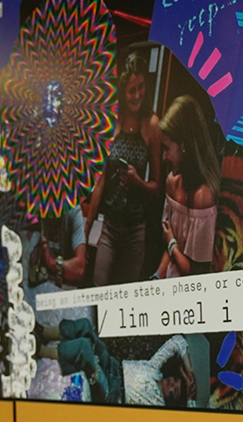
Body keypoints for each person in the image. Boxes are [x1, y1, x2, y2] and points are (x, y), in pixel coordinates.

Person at [87, 50, 161, 285]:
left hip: (136, 231)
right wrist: (87, 227)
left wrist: (138, 183)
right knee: (99, 288)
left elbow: (158, 188)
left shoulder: (151, 124)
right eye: (132, 90)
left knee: (126, 296)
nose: (138, 95)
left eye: (141, 87)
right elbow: (100, 181)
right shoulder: (111, 122)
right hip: (109, 225)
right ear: (121, 90)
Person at [35, 318, 195, 406]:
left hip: (110, 392)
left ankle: (40, 350)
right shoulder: (155, 369)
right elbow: (177, 341)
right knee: (85, 326)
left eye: (175, 390)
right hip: (112, 365)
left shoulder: (157, 404)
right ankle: (42, 332)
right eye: (175, 380)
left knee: (84, 348)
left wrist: (189, 399)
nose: (172, 384)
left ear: (172, 400)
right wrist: (189, 371)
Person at [153, 95, 221, 279]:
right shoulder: (171, 182)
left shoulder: (203, 196)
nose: (163, 157)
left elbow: (196, 272)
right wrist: (156, 277)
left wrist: (172, 244)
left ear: (184, 146)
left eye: (167, 149)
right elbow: (169, 249)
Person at [34, 204, 88, 287]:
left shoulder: (73, 210)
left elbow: (79, 269)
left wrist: (51, 262)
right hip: (41, 279)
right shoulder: (35, 209)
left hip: (66, 282)